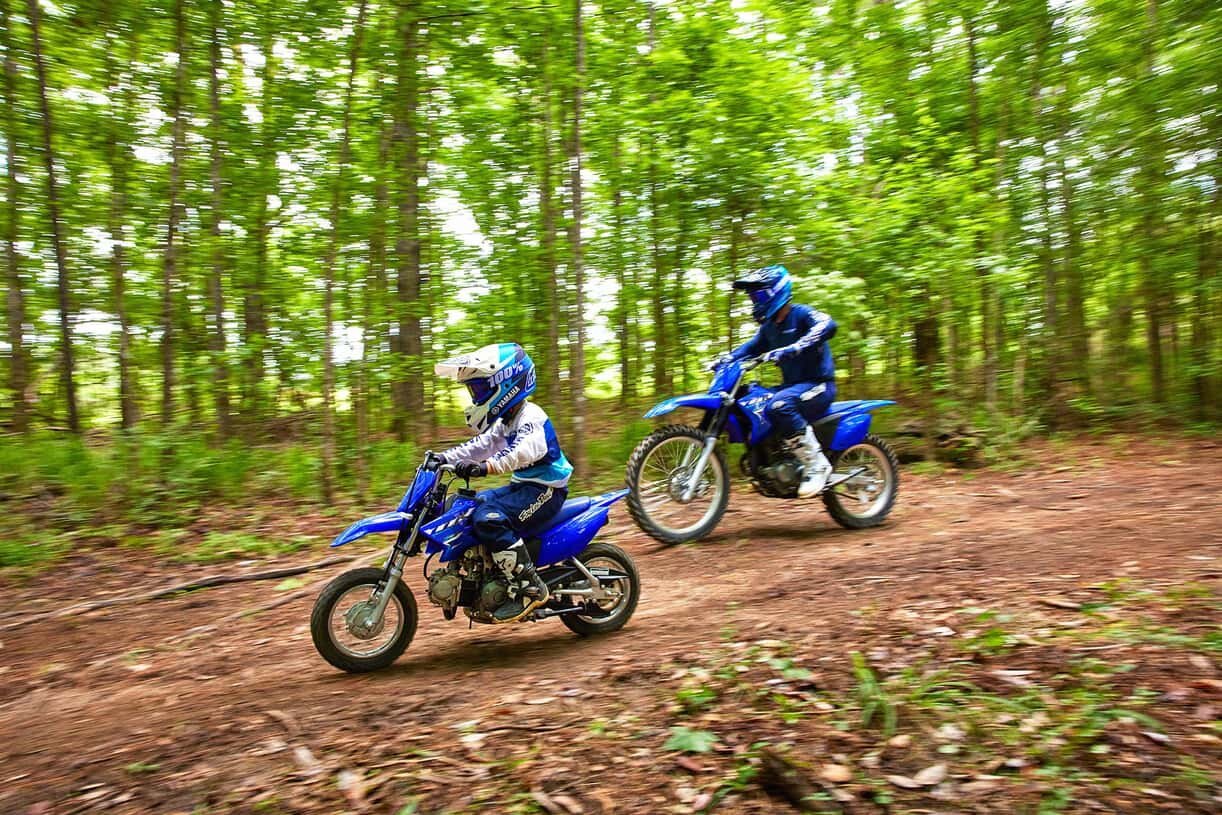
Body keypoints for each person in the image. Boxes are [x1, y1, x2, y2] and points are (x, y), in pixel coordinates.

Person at [434, 343, 573, 622]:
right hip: (523, 486)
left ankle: (530, 587)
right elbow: (481, 445)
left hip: (546, 490)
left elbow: (521, 451)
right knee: (468, 507)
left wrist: (486, 467)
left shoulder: (531, 417)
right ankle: (482, 574)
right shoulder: (506, 420)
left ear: (507, 384)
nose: (476, 397)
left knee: (489, 520)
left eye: (479, 389)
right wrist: (443, 458)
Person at [720, 264, 838, 498]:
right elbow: (750, 348)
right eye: (752, 297)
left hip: (818, 384)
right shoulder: (769, 328)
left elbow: (827, 324)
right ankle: (778, 459)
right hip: (793, 386)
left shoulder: (801, 314)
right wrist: (726, 359)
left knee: (779, 405)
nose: (754, 301)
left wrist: (796, 346)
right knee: (753, 402)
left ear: (776, 292)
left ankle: (817, 465)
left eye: (758, 296)